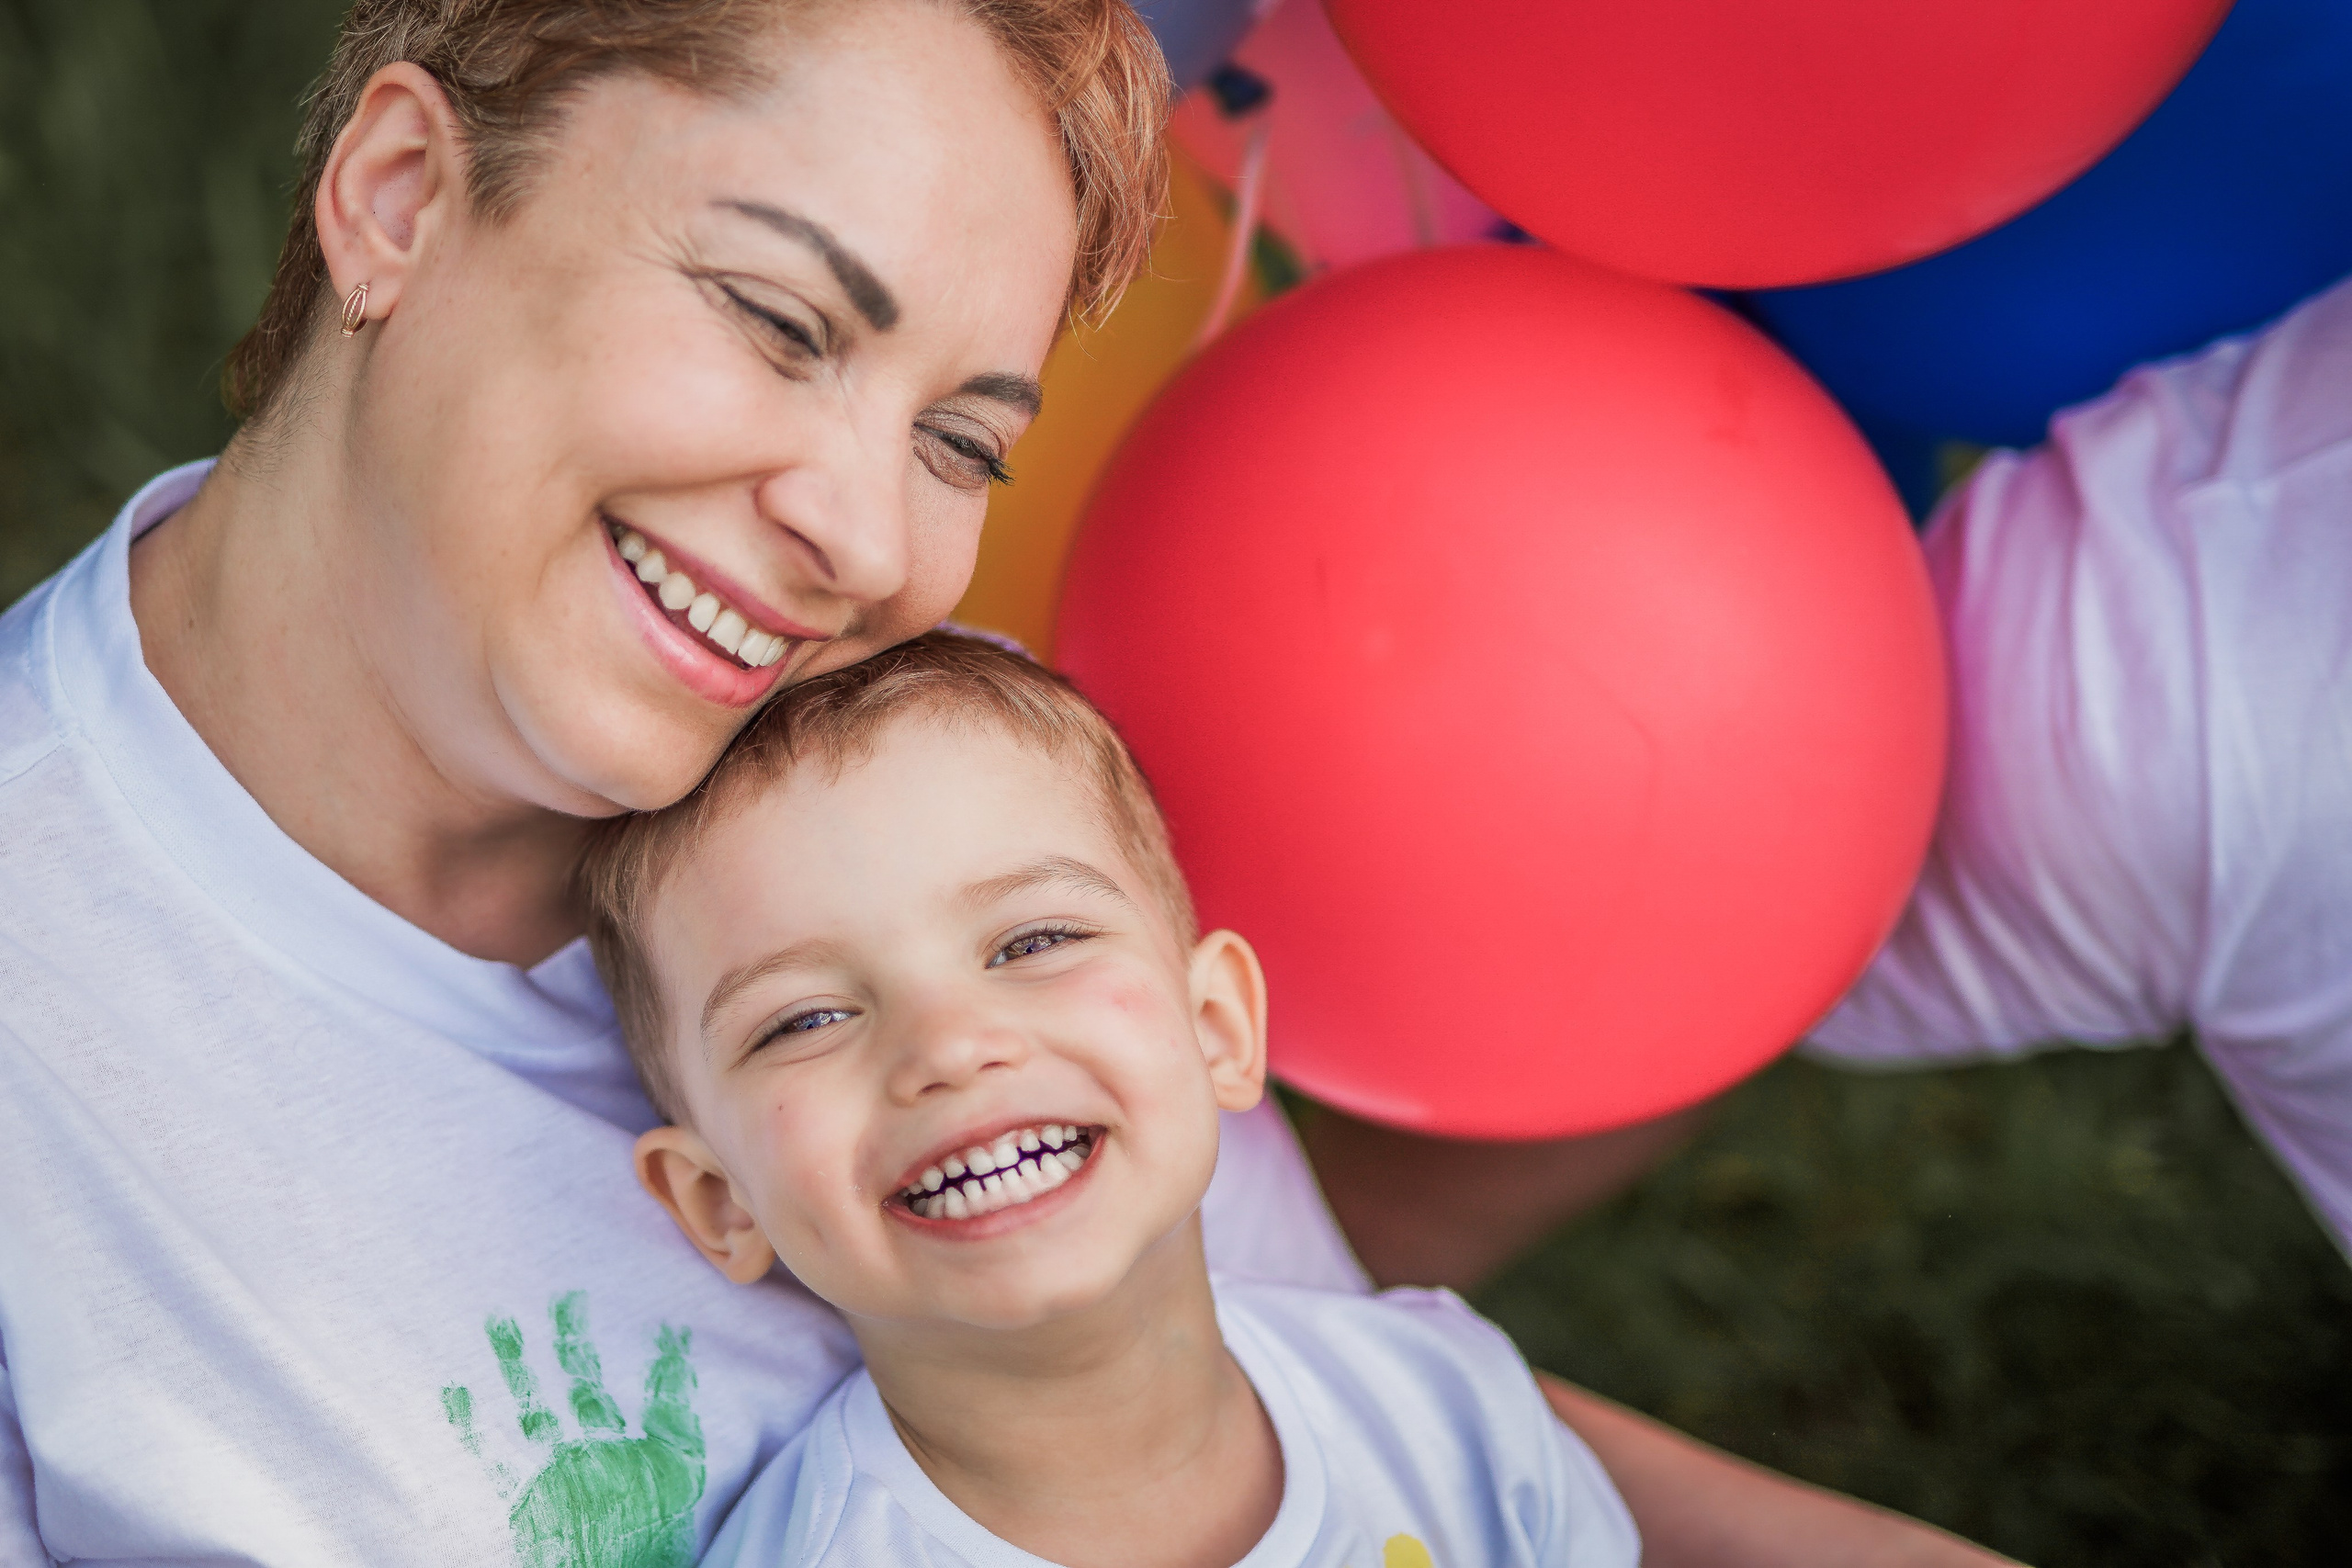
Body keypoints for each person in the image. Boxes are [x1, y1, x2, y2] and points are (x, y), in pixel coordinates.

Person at [0, 1, 2008, 1562]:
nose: (865, 538)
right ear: (399, 196)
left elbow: (1316, 1404)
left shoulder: (904, 810)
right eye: (779, 318)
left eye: (961, 441)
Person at [1314, 270, 2352, 1285]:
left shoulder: (2152, 702)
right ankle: (1292, 1295)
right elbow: (1708, 940)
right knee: (1706, 923)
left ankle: (1297, 1296)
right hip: (2170, 722)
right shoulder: (2154, 700)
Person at [582, 630, 1641, 1567]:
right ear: (720, 1200)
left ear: (1216, 1028)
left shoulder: (1447, 1408)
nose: (949, 1046)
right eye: (806, 1018)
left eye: (1032, 942)